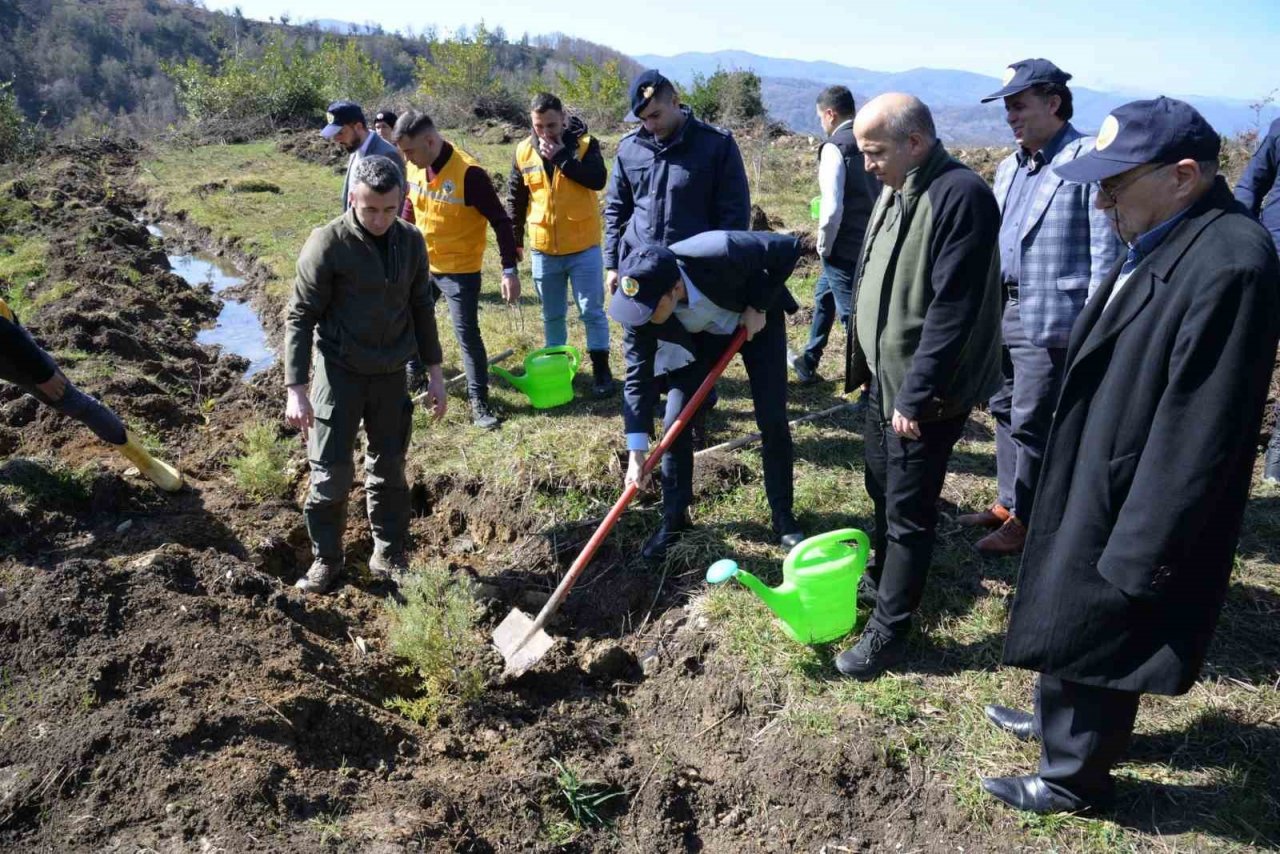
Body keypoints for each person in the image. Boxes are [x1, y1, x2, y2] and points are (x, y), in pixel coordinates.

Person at [982, 97, 1280, 815]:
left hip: (1137, 484)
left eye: (1117, 180)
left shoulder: (1232, 263)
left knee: (1106, 612)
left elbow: (1200, 430)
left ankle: (1072, 776)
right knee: (1071, 601)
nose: (1103, 195)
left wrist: (1148, 545)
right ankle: (1060, 723)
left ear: (1183, 175)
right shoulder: (1161, 231)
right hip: (1100, 452)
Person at [837, 94, 1003, 680]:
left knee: (909, 509)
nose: (867, 166)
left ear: (914, 142)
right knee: (880, 486)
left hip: (922, 395)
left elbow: (953, 308)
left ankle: (890, 632)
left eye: (875, 152)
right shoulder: (896, 185)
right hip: (884, 383)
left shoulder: (961, 196)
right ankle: (883, 581)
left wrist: (916, 393)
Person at [957, 59, 1123, 557]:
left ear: (1053, 103)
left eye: (1019, 105)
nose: (1011, 116)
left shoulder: (1085, 159)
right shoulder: (1011, 166)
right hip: (1002, 309)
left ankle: (1033, 518)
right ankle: (1008, 502)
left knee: (1035, 418)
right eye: (1007, 107)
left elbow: (1106, 252)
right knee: (1004, 407)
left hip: (1055, 314)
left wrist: (1098, 325)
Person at [283, 155, 448, 595]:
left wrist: (434, 372)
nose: (379, 219)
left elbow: (421, 308)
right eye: (369, 209)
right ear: (353, 197)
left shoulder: (411, 241)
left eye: (389, 209)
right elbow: (299, 316)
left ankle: (389, 553)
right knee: (331, 475)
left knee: (390, 468)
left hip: (391, 373)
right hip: (338, 373)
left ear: (402, 201)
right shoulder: (328, 243)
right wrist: (296, 389)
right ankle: (327, 559)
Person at [608, 231, 805, 559]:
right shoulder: (639, 310)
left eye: (648, 309)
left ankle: (783, 515)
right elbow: (636, 380)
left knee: (772, 418)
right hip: (701, 339)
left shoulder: (720, 250)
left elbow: (789, 248)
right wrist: (636, 451)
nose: (639, 317)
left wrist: (759, 304)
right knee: (675, 423)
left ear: (674, 289)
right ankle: (674, 519)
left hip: (755, 321)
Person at [393, 110, 521, 431]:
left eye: (409, 151)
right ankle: (415, 371)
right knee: (408, 317)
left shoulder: (469, 174)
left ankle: (480, 403)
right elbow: (411, 207)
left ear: (430, 141)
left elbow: (501, 222)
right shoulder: (415, 166)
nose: (406, 158)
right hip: (423, 263)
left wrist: (509, 269)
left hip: (459, 270)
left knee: (467, 335)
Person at [0, 297, 182, 492]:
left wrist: (43, 374)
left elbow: (8, 335)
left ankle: (145, 461)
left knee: (70, 401)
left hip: (7, 347)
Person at [506, 92, 615, 397]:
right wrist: (515, 240)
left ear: (564, 119)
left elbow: (597, 179)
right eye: (539, 126)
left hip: (583, 247)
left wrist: (562, 158)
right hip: (544, 249)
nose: (546, 132)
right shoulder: (523, 151)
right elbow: (516, 198)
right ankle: (558, 370)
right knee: (552, 314)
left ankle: (602, 372)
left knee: (591, 311)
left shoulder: (584, 145)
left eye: (552, 125)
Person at [604, 69, 750, 289]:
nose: (650, 126)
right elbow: (616, 209)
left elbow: (734, 214)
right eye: (643, 119)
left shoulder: (716, 145)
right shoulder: (629, 148)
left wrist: (724, 269)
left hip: (694, 272)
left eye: (655, 115)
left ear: (675, 101)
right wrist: (613, 264)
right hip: (639, 268)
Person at [788, 84, 879, 385]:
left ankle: (872, 390)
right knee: (823, 296)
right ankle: (809, 359)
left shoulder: (835, 147)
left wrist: (824, 245)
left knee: (852, 319)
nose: (821, 124)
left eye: (820, 118)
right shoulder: (872, 140)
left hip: (843, 247)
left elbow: (831, 209)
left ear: (830, 113)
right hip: (871, 242)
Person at [1234, 118, 1280, 482]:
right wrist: (1240, 240)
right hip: (1271, 262)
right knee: (1243, 357)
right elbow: (1251, 184)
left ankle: (1276, 461)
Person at [321, 100, 404, 212]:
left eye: (340, 132)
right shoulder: (354, 148)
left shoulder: (388, 155)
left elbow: (395, 208)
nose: (336, 139)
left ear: (358, 127)